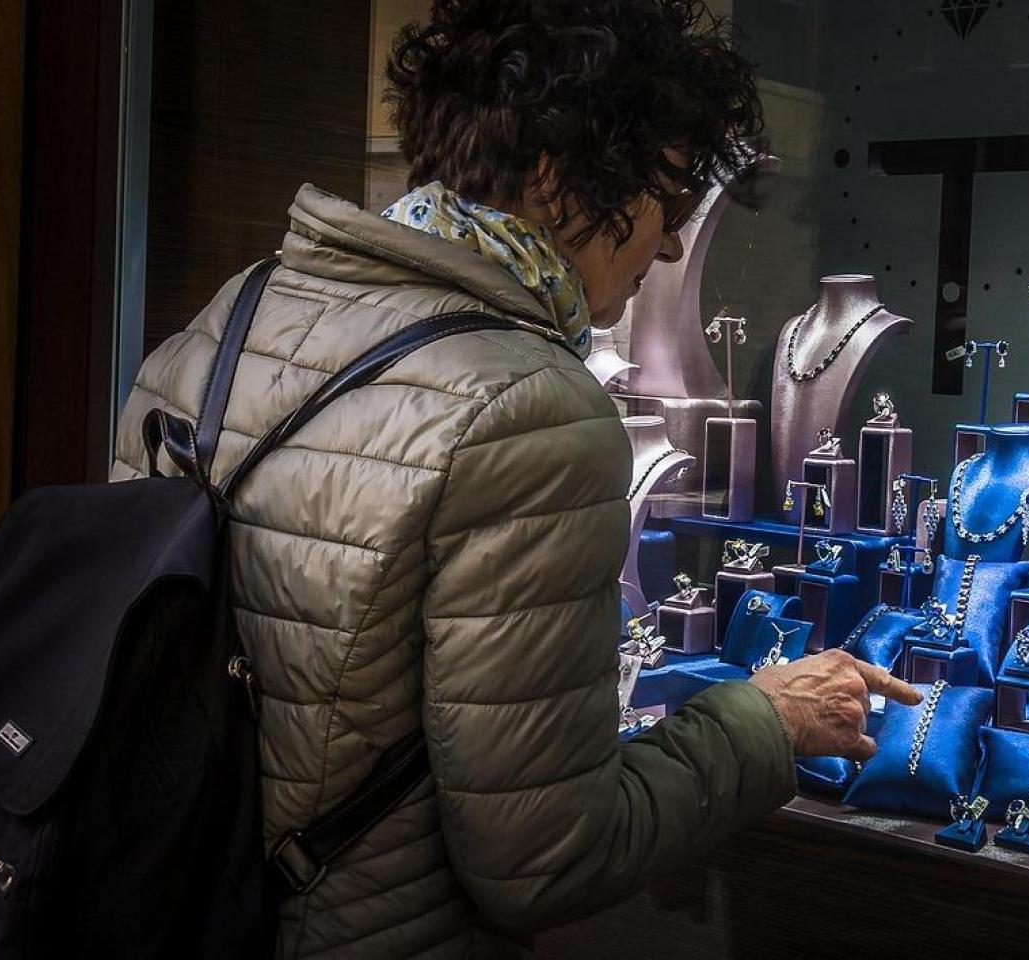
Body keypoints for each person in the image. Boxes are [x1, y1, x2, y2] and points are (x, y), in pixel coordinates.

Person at [109, 1, 920, 956]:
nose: (668, 247)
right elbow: (543, 857)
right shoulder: (534, 407)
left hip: (151, 899)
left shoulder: (229, 315)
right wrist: (766, 721)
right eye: (664, 199)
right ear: (556, 177)